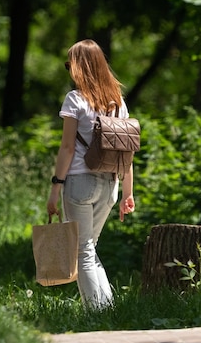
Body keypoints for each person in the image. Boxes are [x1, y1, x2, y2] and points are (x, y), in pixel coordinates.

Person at [47, 39, 135, 310]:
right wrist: (128, 193)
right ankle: (108, 310)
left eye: (70, 64)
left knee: (82, 251)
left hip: (80, 183)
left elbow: (67, 147)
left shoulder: (75, 99)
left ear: (79, 67)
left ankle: (97, 313)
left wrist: (55, 189)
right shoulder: (118, 102)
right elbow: (126, 150)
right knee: (89, 248)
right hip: (110, 184)